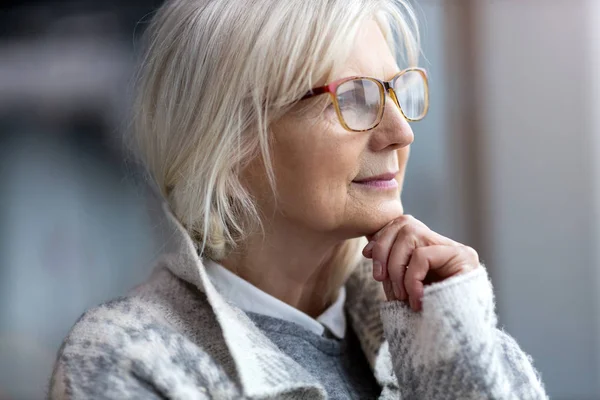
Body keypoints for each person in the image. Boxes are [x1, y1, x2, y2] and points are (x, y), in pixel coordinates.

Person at [49, 0, 548, 398]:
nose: (401, 133)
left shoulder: (434, 314)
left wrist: (459, 343)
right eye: (354, 98)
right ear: (230, 139)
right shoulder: (131, 357)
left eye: (397, 91)